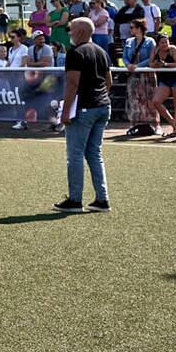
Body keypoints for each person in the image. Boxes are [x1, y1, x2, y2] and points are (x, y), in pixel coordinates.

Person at [53, 16, 110, 213]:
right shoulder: (101, 51)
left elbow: (72, 84)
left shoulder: (75, 53)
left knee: (75, 155)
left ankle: (75, 200)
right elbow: (108, 80)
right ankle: (102, 199)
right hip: (102, 105)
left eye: (71, 30)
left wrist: (66, 111)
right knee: (94, 153)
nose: (69, 33)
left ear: (79, 32)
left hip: (84, 107)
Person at [151, 32, 176, 140]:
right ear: (158, 44)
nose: (165, 44)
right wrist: (156, 64)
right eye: (162, 42)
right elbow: (150, 64)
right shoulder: (155, 50)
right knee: (156, 101)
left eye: (166, 42)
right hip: (164, 80)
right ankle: (172, 122)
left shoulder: (173, 49)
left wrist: (165, 64)